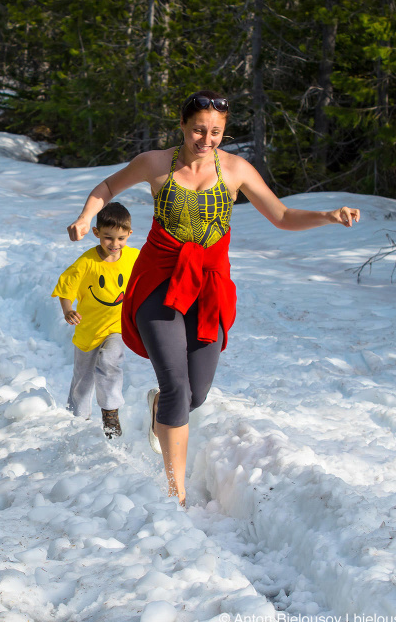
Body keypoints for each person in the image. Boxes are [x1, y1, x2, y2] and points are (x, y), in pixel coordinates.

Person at [66, 90, 360, 506]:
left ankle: (159, 411)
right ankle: (176, 490)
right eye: (199, 129)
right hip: (159, 283)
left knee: (195, 394)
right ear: (183, 126)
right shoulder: (156, 163)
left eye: (216, 131)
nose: (207, 138)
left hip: (207, 287)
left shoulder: (237, 170)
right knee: (175, 385)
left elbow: (281, 216)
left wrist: (329, 216)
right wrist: (84, 217)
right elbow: (108, 186)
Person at [53, 202, 140, 438]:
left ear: (129, 234)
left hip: (117, 327)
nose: (114, 244)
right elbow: (66, 287)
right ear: (96, 233)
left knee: (111, 362)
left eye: (121, 238)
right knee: (83, 378)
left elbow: (149, 280)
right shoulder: (87, 262)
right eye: (108, 237)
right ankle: (77, 421)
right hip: (88, 330)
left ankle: (110, 413)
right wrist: (67, 309)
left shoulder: (135, 257)